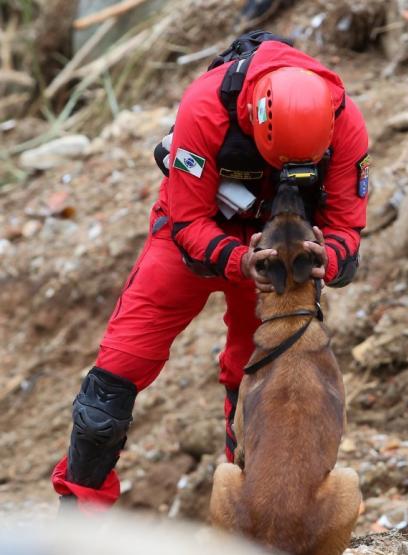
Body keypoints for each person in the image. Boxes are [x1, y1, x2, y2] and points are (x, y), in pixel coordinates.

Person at [50, 31, 370, 511]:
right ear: (258, 124)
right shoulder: (206, 106)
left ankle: (245, 516)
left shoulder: (344, 121)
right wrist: (240, 260)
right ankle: (77, 518)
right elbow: (188, 221)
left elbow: (347, 224)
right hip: (195, 233)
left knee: (253, 381)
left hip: (276, 245)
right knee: (114, 379)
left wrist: (331, 256)